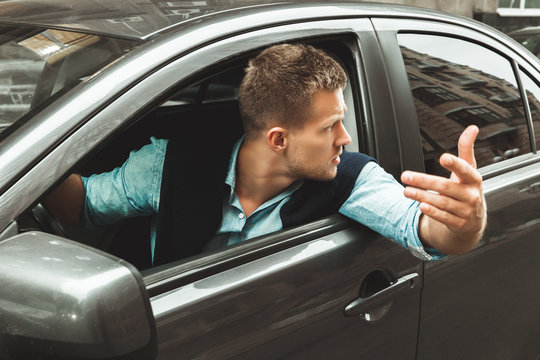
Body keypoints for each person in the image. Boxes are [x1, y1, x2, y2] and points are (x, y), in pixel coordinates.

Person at [44, 43, 486, 266]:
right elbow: (80, 205)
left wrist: (466, 223)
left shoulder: (351, 177)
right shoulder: (168, 163)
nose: (346, 139)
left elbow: (425, 230)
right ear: (278, 140)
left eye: (343, 121)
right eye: (329, 126)